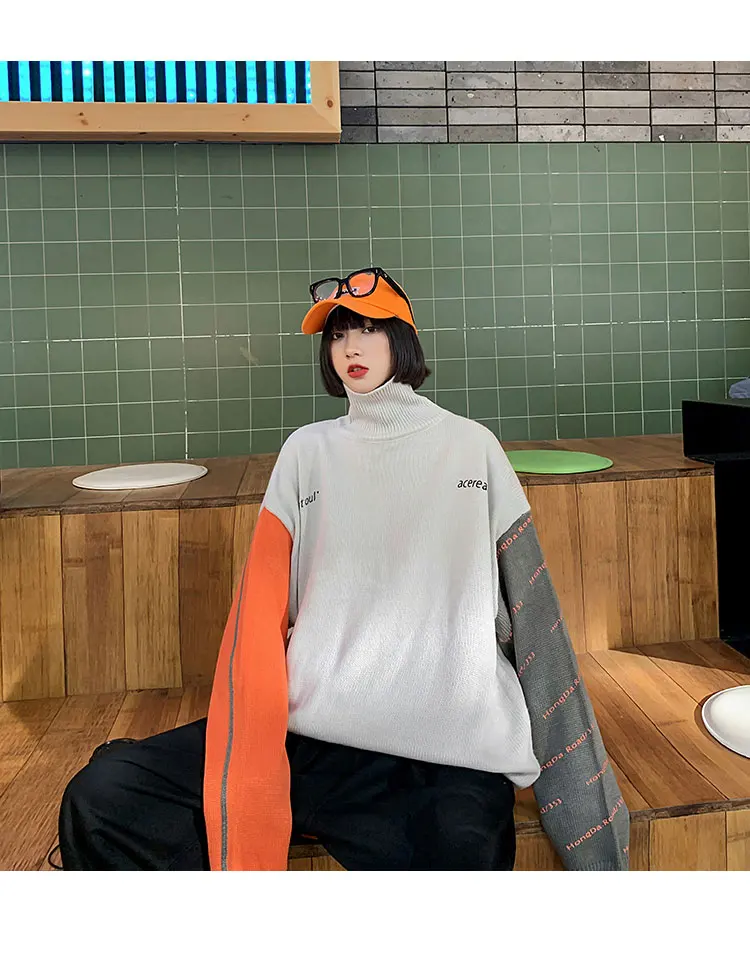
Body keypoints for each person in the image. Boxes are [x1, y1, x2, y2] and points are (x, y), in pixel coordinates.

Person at [57, 267, 629, 871]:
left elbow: (538, 628)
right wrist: (247, 741)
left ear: (402, 340)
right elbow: (258, 618)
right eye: (336, 335)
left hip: (444, 755)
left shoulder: (472, 448)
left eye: (368, 329)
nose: (350, 347)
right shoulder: (306, 452)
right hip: (309, 738)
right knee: (104, 795)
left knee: (463, 852)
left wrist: (586, 819)